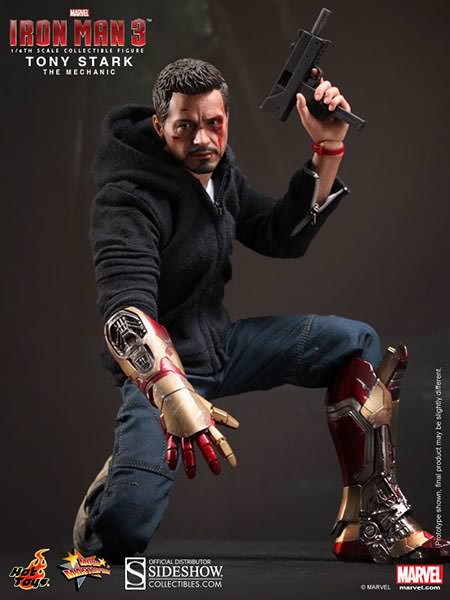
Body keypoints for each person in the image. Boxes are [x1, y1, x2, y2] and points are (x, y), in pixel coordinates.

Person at [73, 58, 449, 564]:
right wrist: (172, 391)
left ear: (226, 118)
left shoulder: (218, 172)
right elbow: (125, 315)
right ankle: (114, 488)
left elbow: (279, 234)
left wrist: (328, 147)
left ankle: (368, 519)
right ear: (161, 126)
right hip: (162, 372)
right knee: (122, 529)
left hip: (222, 347)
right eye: (185, 126)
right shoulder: (126, 199)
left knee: (354, 341)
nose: (202, 139)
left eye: (213, 123)